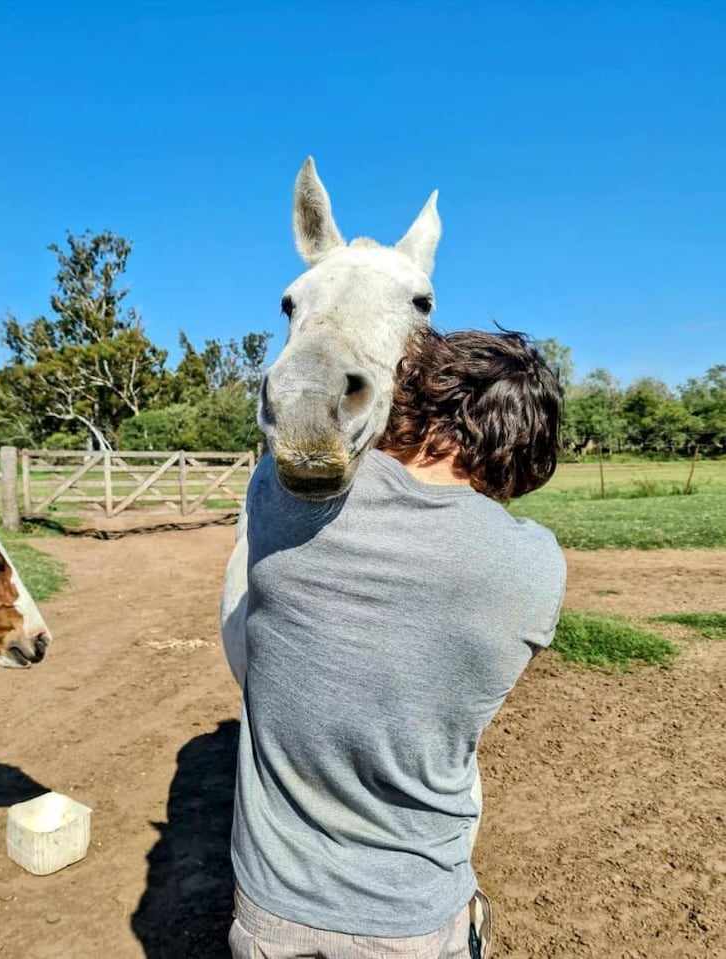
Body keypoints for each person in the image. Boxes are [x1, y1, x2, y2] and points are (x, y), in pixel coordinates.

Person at [228, 327, 567, 959]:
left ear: (411, 401)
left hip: (272, 908)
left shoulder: (275, 497)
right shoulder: (536, 564)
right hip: (415, 910)